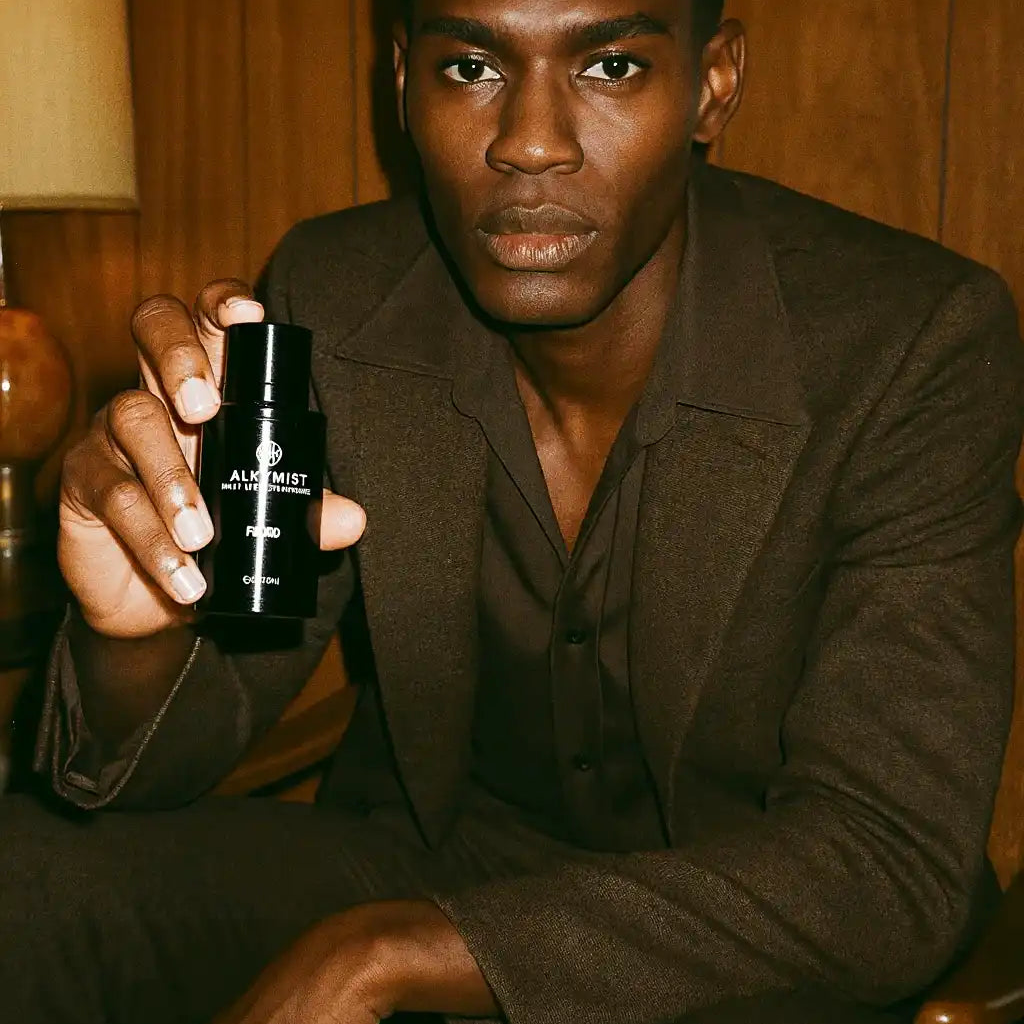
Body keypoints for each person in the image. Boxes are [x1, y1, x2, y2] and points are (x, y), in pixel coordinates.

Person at [1, 0, 1021, 1022]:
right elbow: (174, 747)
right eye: (470, 68)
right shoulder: (338, 295)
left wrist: (387, 952)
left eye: (612, 65)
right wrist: (142, 626)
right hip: (430, 866)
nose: (529, 143)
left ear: (712, 82)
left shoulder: (909, 341)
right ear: (402, 82)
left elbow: (885, 866)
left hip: (751, 936)